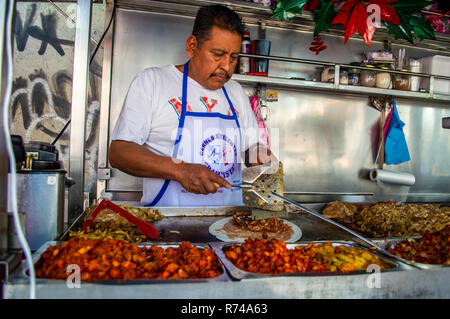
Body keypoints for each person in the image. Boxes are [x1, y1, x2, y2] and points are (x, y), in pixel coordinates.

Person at [109, 4, 276, 207]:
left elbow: (252, 145)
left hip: (231, 226)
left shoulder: (235, 91)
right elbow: (119, 152)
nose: (226, 66)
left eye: (233, 57)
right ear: (192, 46)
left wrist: (262, 158)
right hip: (168, 226)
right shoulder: (153, 81)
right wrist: (180, 170)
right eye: (217, 54)